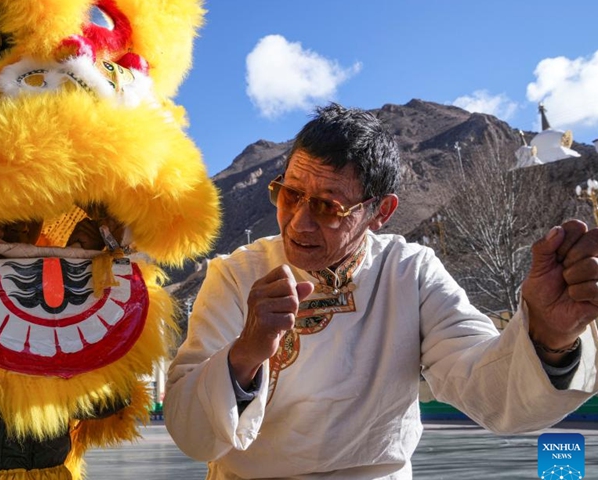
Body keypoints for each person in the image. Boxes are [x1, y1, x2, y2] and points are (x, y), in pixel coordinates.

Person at [164, 102, 598, 479]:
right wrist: (246, 352)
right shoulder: (236, 276)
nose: (298, 222)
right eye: (291, 194)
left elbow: (486, 387)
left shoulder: (410, 271)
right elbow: (191, 431)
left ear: (381, 212)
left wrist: (549, 337)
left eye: (329, 207)